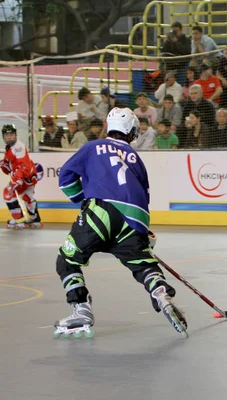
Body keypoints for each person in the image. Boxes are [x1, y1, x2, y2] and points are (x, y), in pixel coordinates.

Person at [53, 108, 188, 339]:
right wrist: (143, 231)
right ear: (131, 130)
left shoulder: (92, 147)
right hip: (134, 219)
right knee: (143, 265)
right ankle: (161, 294)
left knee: (66, 261)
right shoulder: (136, 158)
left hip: (101, 211)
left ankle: (81, 309)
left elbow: (65, 177)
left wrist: (83, 201)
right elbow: (144, 196)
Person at [1, 124, 42, 229]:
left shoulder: (17, 147)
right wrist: (4, 163)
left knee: (8, 194)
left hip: (23, 177)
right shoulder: (11, 147)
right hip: (28, 176)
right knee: (27, 196)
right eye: (7, 135)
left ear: (15, 135)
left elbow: (22, 166)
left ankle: (19, 220)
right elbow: (11, 166)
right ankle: (35, 219)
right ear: (3, 136)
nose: (9, 137)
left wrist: (17, 179)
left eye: (11, 134)